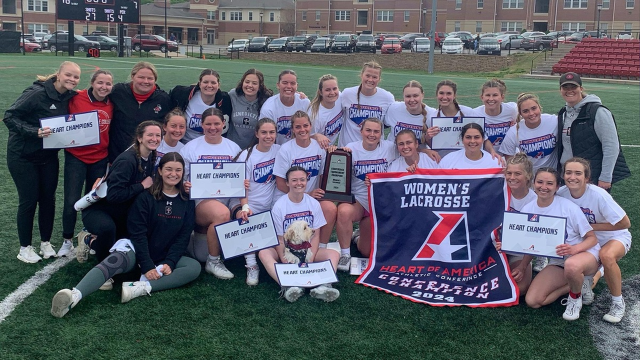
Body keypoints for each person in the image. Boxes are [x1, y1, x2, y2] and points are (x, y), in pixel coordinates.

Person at [51, 152, 200, 318]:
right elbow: (138, 234)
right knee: (116, 259)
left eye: (178, 170)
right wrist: (147, 265)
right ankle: (75, 295)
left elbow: (183, 237)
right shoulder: (146, 196)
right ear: (159, 171)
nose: (173, 174)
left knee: (194, 268)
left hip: (164, 256)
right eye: (169, 169)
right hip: (139, 252)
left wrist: (170, 262)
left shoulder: (187, 201)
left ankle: (138, 288)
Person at [4, 61, 80, 263]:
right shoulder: (36, 93)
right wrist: (33, 132)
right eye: (69, 75)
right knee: (29, 200)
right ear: (58, 75)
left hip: (48, 157)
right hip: (23, 156)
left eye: (76, 77)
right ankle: (24, 248)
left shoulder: (70, 96)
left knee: (48, 199)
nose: (72, 80)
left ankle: (45, 242)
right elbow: (9, 116)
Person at [557, 157, 632, 323]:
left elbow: (625, 223)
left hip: (613, 237)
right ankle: (588, 283)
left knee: (606, 256)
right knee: (573, 263)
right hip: (587, 240)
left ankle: (617, 302)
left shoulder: (598, 195)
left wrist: (591, 227)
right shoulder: (561, 193)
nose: (572, 177)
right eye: (568, 172)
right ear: (563, 175)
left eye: (578, 173)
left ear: (587, 178)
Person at [523, 167, 600, 321]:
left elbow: (592, 238)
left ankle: (574, 298)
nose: (544, 187)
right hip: (559, 261)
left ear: (557, 187)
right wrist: (522, 266)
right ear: (533, 183)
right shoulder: (528, 209)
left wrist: (574, 249)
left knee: (572, 265)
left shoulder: (568, 207)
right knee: (533, 301)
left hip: (583, 256)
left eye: (549, 183)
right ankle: (578, 283)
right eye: (540, 182)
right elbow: (529, 244)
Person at [80, 121, 162, 264]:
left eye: (158, 135)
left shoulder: (150, 156)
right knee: (108, 230)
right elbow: (113, 195)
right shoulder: (128, 160)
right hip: (100, 211)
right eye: (150, 135)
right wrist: (141, 186)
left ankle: (97, 242)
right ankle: (91, 244)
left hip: (122, 211)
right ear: (139, 138)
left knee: (128, 243)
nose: (154, 139)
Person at [259, 165, 340, 303]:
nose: (299, 183)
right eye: (294, 180)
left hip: (307, 250)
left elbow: (316, 235)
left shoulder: (313, 203)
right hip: (287, 251)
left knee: (333, 254)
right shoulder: (279, 206)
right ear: (287, 183)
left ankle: (323, 286)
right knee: (263, 253)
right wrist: (285, 259)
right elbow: (279, 238)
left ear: (307, 181)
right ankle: (287, 285)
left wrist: (311, 257)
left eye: (302, 179)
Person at [179, 107, 241, 280]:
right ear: (201, 125)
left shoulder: (233, 148)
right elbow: (180, 179)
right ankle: (213, 261)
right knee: (222, 214)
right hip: (201, 202)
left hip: (228, 200)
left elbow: (239, 178)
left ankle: (195, 239)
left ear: (224, 124)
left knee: (199, 254)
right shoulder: (191, 148)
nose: (213, 128)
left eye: (216, 124)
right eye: (208, 124)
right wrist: (185, 185)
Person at [60, 70, 114, 257]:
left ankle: (88, 236)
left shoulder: (112, 102)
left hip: (100, 158)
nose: (104, 87)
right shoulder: (76, 98)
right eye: (100, 83)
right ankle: (66, 241)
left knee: (93, 200)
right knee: (71, 200)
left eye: (108, 84)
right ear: (91, 83)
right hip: (76, 157)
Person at [337, 118, 398, 268]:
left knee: (366, 252)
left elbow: (409, 150)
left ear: (382, 133)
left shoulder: (390, 148)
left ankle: (357, 236)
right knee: (344, 211)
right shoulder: (351, 148)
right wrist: (336, 154)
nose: (372, 134)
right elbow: (338, 173)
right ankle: (345, 254)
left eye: (376, 131)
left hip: (380, 203)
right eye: (368, 130)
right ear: (361, 131)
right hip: (360, 201)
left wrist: (425, 151)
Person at [273, 111, 337, 248]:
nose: (302, 130)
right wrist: (307, 195)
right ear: (292, 129)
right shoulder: (286, 150)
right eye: (298, 127)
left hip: (310, 198)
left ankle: (321, 246)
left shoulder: (319, 147)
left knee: (330, 208)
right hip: (289, 198)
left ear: (310, 126)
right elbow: (280, 184)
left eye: (305, 126)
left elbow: (322, 176)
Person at [556, 72, 630, 191]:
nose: (569, 90)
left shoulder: (598, 111)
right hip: (567, 176)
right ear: (560, 90)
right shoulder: (563, 113)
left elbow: (611, 145)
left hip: (591, 176)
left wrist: (605, 177)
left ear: (581, 88)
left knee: (590, 210)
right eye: (565, 87)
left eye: (573, 87)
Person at [232, 118, 281, 286]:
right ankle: (252, 266)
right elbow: (240, 186)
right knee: (247, 219)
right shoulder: (247, 155)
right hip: (249, 201)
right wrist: (244, 206)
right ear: (256, 134)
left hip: (270, 203)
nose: (268, 136)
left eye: (272, 132)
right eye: (264, 132)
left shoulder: (279, 150)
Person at [109, 61, 171, 161]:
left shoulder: (163, 99)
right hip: (117, 156)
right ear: (133, 76)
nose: (145, 81)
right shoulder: (118, 92)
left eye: (150, 78)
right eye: (141, 77)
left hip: (148, 157)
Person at [493, 153, 536, 295]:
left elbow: (534, 238)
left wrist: (523, 266)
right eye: (509, 173)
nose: (512, 177)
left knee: (520, 288)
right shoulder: (498, 192)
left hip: (520, 250)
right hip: (495, 246)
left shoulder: (535, 201)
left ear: (528, 175)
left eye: (518, 174)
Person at [426, 80, 500, 159]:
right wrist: (428, 137)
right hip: (444, 160)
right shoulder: (432, 117)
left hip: (468, 159)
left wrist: (492, 151)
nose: (444, 97)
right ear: (436, 95)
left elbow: (484, 138)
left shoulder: (469, 113)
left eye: (449, 93)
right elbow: (433, 146)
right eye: (441, 93)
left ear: (454, 95)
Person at [500, 93, 558, 173]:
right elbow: (509, 158)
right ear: (520, 114)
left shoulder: (554, 121)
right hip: (529, 178)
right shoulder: (514, 131)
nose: (531, 113)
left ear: (539, 107)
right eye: (525, 111)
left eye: (534, 108)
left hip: (553, 176)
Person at [339, 61, 394, 147]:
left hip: (374, 152)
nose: (370, 80)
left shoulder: (387, 98)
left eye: (374, 77)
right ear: (361, 75)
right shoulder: (347, 94)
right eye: (367, 76)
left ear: (379, 79)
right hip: (348, 149)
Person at [169, 69, 232, 143]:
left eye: (213, 83)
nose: (209, 85)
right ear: (199, 84)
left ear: (218, 85)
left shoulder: (225, 100)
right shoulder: (183, 94)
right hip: (185, 143)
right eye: (205, 82)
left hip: (210, 144)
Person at [259, 70, 311, 145]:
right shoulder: (268, 108)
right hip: (276, 150)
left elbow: (310, 130)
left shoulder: (304, 103)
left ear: (297, 86)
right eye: (285, 83)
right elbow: (264, 136)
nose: (289, 86)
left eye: (292, 83)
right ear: (278, 85)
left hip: (299, 148)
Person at [226, 69, 274, 149]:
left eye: (254, 83)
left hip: (254, 149)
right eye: (247, 82)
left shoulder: (267, 101)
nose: (250, 85)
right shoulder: (233, 95)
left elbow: (281, 101)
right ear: (242, 82)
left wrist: (298, 96)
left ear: (260, 86)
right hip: (232, 147)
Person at [385, 80, 436, 145]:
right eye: (408, 96)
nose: (412, 100)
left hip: (418, 154)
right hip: (393, 153)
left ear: (422, 95)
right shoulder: (394, 108)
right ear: (403, 96)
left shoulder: (432, 115)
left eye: (415, 96)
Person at [471, 79, 518, 149]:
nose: (491, 99)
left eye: (495, 95)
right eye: (487, 95)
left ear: (502, 97)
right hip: (487, 156)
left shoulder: (512, 110)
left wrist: (516, 124)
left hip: (509, 156)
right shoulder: (475, 114)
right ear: (482, 97)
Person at [438, 123, 503, 169]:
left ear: (483, 139)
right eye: (468, 137)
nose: (472, 141)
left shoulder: (495, 163)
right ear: (462, 139)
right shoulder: (448, 160)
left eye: (476, 137)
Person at [308, 74, 344, 148]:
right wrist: (316, 136)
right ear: (320, 92)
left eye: (334, 89)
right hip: (316, 150)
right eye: (327, 90)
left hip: (329, 149)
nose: (332, 93)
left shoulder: (340, 98)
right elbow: (305, 138)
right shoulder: (315, 116)